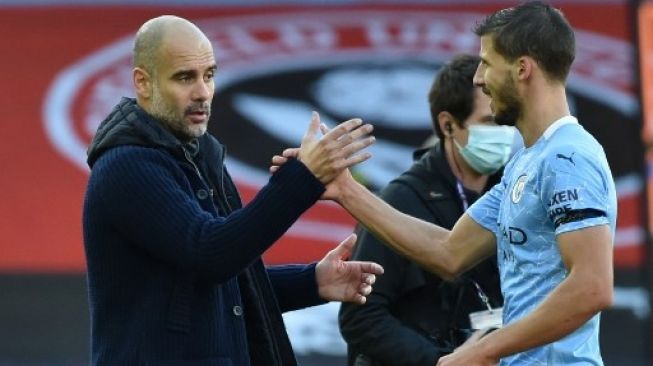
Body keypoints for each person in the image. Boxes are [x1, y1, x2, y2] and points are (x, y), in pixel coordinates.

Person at [273, 2, 616, 365]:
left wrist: (484, 350)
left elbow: (592, 287)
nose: (478, 78)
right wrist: (346, 190)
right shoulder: (525, 163)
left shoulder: (569, 158)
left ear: (521, 68)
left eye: (487, 62)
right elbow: (449, 252)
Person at [82, 15, 384, 366]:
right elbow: (212, 253)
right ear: (143, 82)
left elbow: (224, 285)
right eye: (185, 77)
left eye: (209, 75)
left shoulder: (201, 155)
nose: (202, 92)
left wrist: (312, 281)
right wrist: (302, 178)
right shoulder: (127, 166)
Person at [338, 54, 510, 366]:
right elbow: (361, 318)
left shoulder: (514, 192)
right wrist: (441, 362)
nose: (504, 132)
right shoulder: (399, 202)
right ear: (448, 124)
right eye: (489, 122)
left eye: (505, 120)